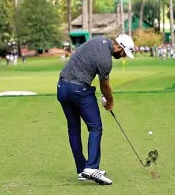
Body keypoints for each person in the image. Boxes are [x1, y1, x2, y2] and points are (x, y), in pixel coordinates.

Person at [57, 34, 135, 185]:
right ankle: (92, 168)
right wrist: (110, 101)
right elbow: (104, 86)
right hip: (79, 89)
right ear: (119, 47)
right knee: (95, 127)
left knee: (73, 129)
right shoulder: (106, 60)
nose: (123, 56)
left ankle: (82, 169)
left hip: (62, 86)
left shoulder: (99, 39)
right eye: (124, 52)